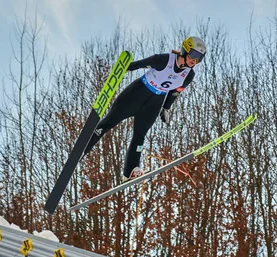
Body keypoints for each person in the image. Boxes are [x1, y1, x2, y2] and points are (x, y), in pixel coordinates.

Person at [84, 36, 207, 181]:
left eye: (200, 58)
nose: (195, 60)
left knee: (140, 135)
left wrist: (166, 108)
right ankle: (84, 148)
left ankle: (130, 171)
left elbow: (175, 92)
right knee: (110, 121)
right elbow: (138, 65)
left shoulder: (189, 75)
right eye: (194, 55)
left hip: (155, 102)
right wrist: (119, 71)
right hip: (137, 93)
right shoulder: (164, 60)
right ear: (185, 50)